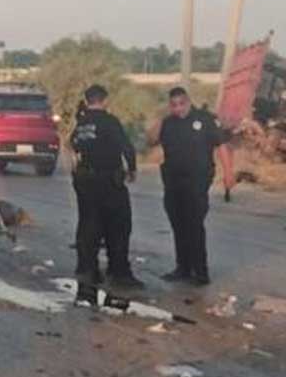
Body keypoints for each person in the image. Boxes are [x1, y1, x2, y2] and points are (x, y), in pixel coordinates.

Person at [145, 86, 234, 286]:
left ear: (187, 101)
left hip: (197, 180)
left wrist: (228, 173)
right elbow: (151, 141)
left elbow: (221, 145)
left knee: (194, 224)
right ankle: (183, 268)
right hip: (173, 180)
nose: (177, 109)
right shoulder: (168, 123)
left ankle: (201, 272)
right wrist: (160, 119)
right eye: (173, 105)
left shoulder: (204, 119)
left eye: (180, 104)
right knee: (178, 225)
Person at [70, 84, 142, 299]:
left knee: (88, 223)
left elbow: (73, 147)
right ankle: (118, 271)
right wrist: (132, 168)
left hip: (84, 180)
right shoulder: (109, 122)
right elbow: (126, 147)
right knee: (118, 225)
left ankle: (86, 268)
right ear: (105, 100)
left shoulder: (81, 124)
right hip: (107, 180)